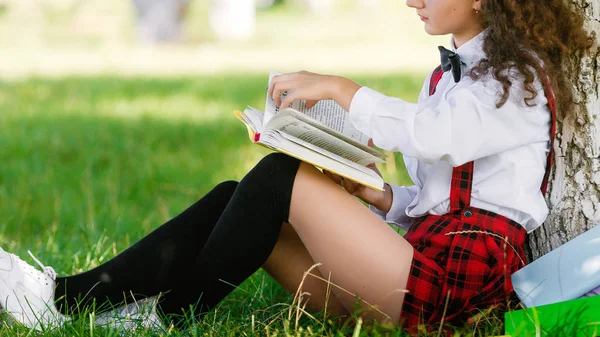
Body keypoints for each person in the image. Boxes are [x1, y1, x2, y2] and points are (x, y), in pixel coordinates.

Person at [0, 0, 592, 333]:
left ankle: (158, 315)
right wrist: (380, 197)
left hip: (457, 285)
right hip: (417, 258)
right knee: (245, 197)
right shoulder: (448, 74)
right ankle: (78, 297)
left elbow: (433, 138)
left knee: (282, 180)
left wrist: (337, 87)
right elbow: (439, 193)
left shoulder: (517, 81)